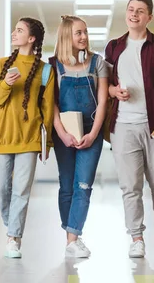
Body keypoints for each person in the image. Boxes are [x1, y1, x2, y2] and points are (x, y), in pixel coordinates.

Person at [104, 0, 154, 258]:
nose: (134, 14)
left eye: (140, 11)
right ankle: (136, 237)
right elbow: (106, 85)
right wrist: (114, 91)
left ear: (149, 17)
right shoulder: (113, 47)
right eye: (131, 9)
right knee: (129, 185)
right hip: (123, 125)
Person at [0, 17, 55, 258]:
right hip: (1, 137)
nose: (14, 34)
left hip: (29, 137)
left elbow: (47, 109)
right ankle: (11, 225)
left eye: (20, 30)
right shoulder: (0, 65)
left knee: (21, 191)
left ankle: (14, 237)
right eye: (15, 30)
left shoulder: (46, 70)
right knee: (1, 189)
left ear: (32, 38)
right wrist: (5, 84)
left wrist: (48, 143)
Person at [49, 15, 108, 258]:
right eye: (78, 33)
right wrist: (61, 134)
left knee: (83, 185)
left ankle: (73, 236)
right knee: (67, 186)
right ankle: (71, 238)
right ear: (66, 37)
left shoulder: (98, 63)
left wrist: (94, 134)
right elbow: (50, 104)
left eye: (85, 32)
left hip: (91, 132)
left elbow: (103, 101)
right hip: (64, 132)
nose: (84, 37)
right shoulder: (53, 66)